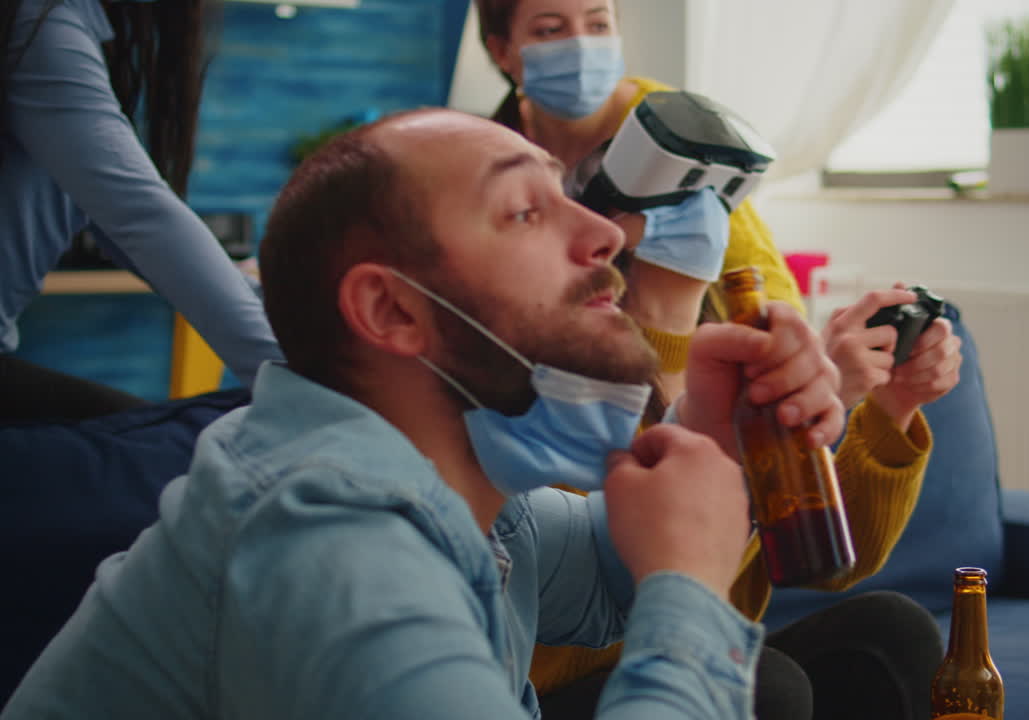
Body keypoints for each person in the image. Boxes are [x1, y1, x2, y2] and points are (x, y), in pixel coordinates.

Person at [0, 107, 852, 719]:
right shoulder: (328, 538)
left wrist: (714, 431)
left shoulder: (463, 481)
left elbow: (602, 578)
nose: (608, 235)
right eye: (525, 210)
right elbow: (658, 582)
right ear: (393, 313)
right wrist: (689, 587)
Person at [474, 2, 964, 718]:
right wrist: (664, 323)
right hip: (574, 664)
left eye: (598, 20)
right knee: (772, 687)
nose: (582, 48)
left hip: (699, 608)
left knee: (891, 634)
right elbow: (626, 568)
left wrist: (880, 409)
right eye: (550, 28)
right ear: (502, 51)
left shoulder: (719, 282)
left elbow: (826, 562)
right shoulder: (514, 289)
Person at [0, 0, 281, 422]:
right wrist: (310, 386)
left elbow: (125, 226)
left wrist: (289, 317)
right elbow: (141, 216)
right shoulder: (41, 23)